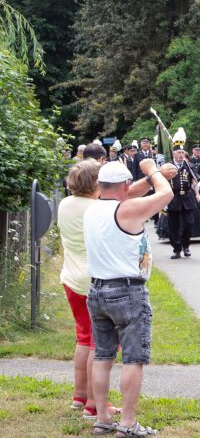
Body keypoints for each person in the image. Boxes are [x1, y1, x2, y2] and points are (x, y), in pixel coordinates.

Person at [84, 159, 174, 438]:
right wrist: (153, 171)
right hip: (127, 291)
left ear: (99, 185)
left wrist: (146, 181)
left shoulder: (93, 208)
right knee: (133, 358)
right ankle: (128, 422)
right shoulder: (127, 208)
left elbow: (125, 194)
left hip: (97, 289)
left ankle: (102, 417)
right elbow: (166, 194)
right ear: (124, 185)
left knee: (102, 355)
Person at [59, 161, 105, 418]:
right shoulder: (97, 209)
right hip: (94, 281)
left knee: (83, 338)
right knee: (100, 345)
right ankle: (95, 405)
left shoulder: (65, 204)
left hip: (71, 278)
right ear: (96, 184)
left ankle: (80, 396)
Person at [166, 146, 198, 259]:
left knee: (189, 223)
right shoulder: (167, 167)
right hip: (173, 198)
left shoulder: (189, 166)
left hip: (187, 198)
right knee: (174, 226)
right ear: (174, 154)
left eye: (182, 152)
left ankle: (186, 246)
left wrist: (199, 184)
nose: (181, 155)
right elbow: (161, 182)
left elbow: (195, 178)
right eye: (178, 152)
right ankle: (176, 249)